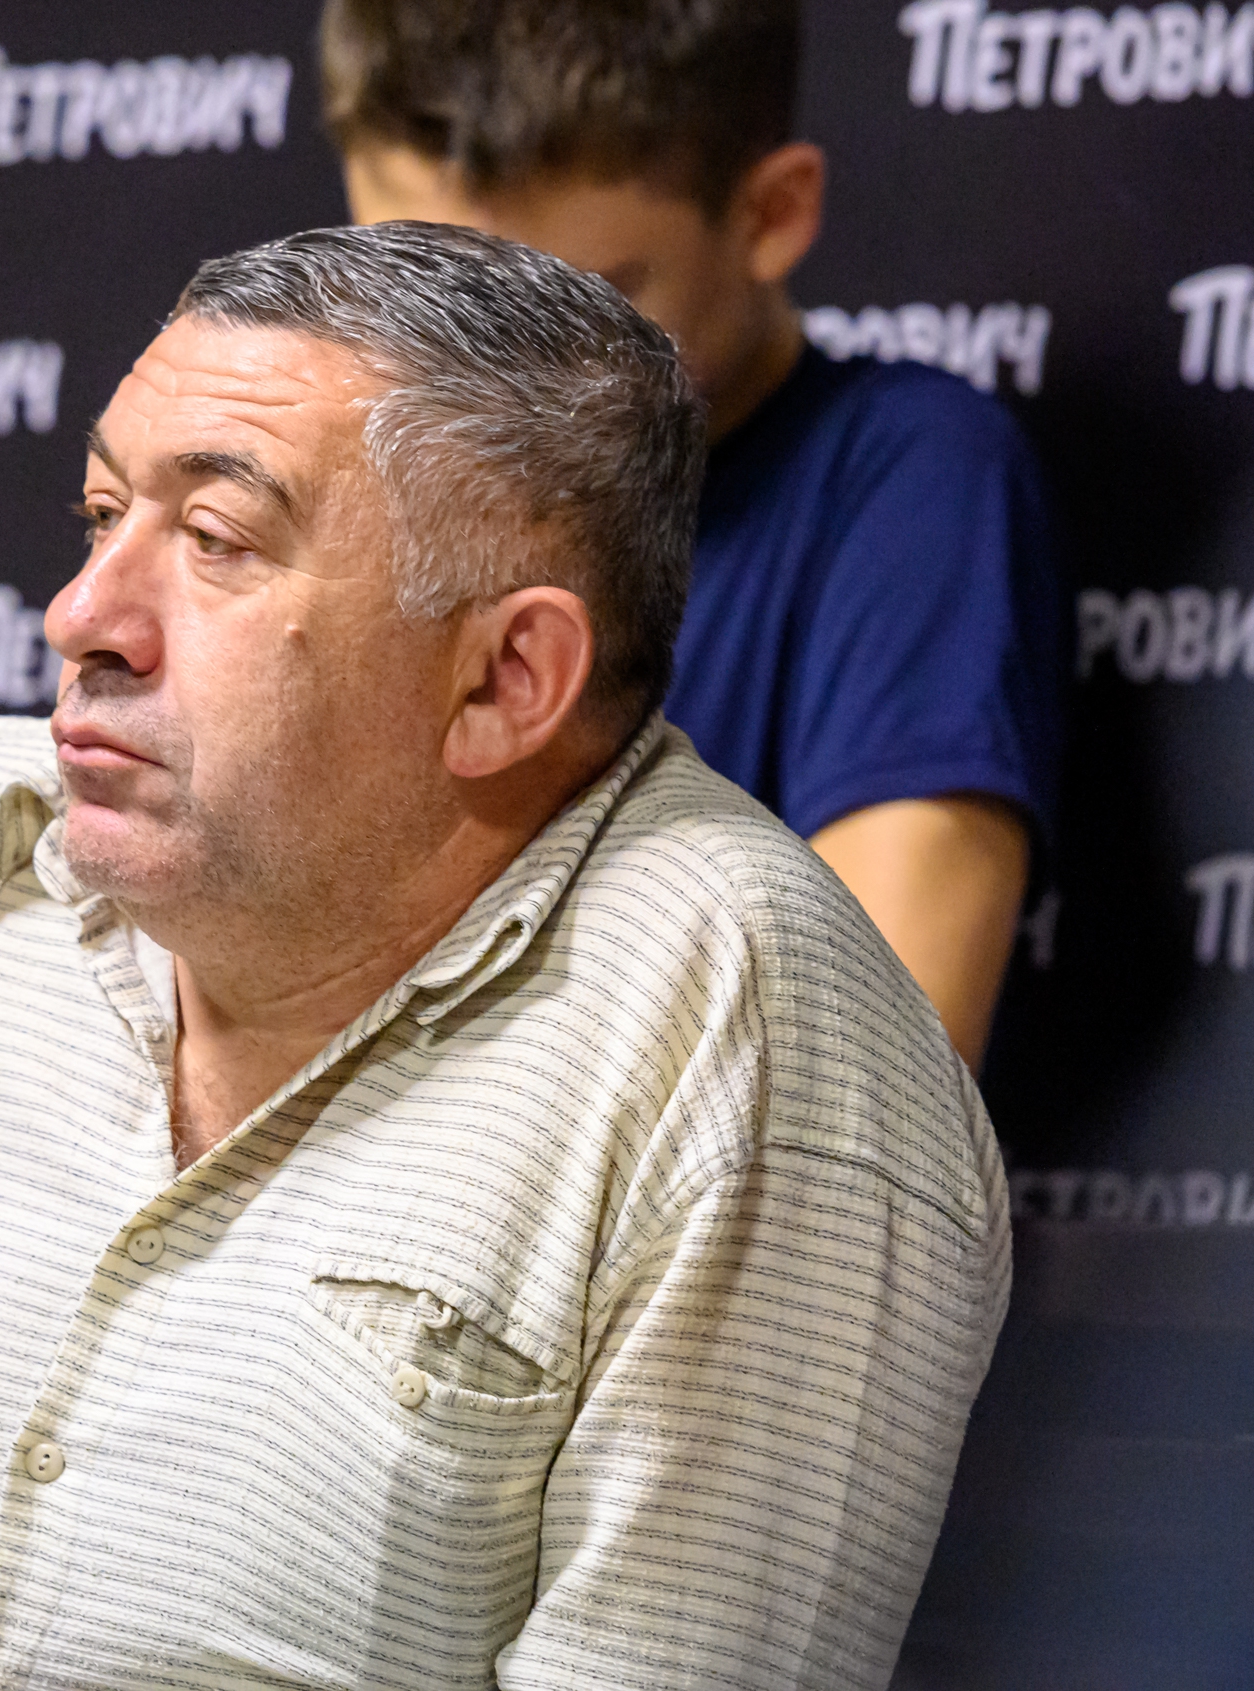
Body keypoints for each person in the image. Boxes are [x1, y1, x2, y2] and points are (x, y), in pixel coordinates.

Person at [0, 224, 1009, 1691]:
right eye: (104, 513)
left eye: (216, 540)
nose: (80, 616)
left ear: (505, 677)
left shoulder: (760, 1068)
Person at [322, 0, 1064, 1069]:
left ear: (771, 213)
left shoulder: (909, 477)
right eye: (414, 293)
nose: (475, 384)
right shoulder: (325, 482)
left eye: (576, 312)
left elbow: (870, 1082)